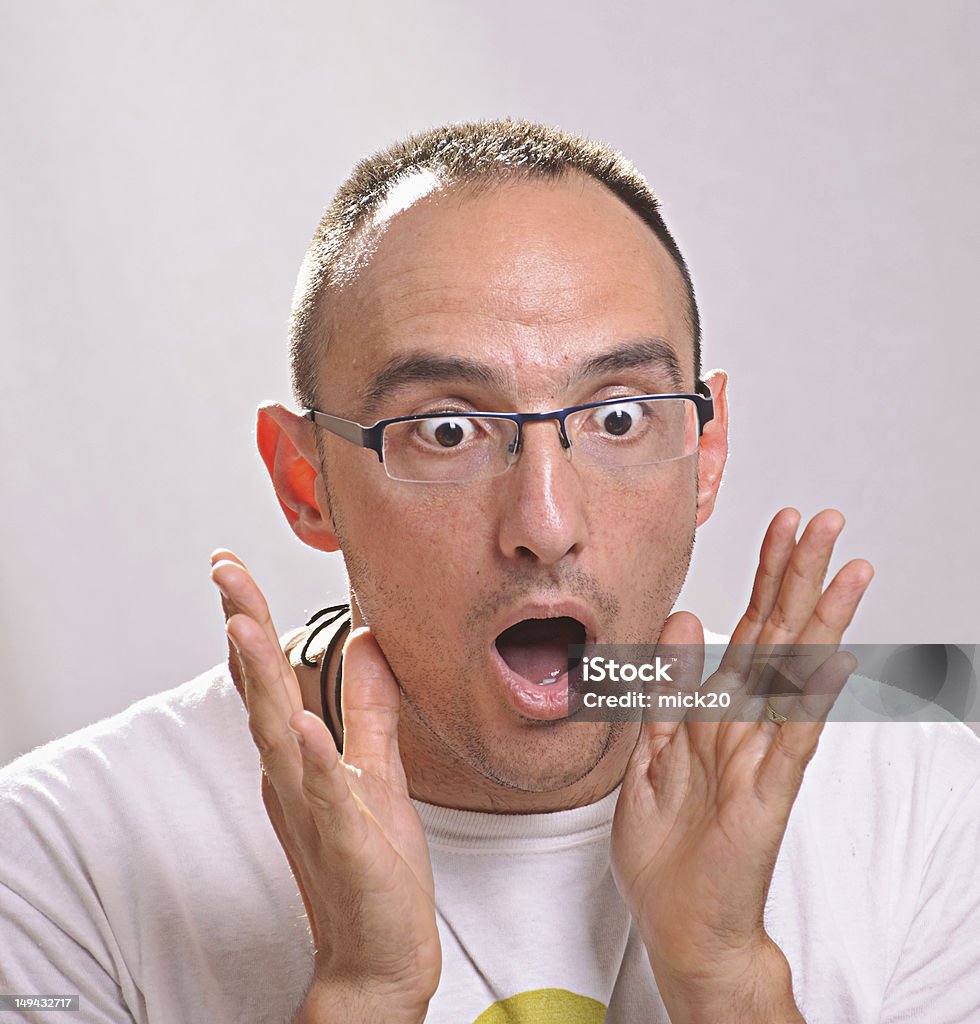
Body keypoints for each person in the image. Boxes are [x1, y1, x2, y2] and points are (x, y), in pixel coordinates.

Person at [1, 120, 977, 1024]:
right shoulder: (61, 852)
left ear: (704, 451)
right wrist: (362, 992)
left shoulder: (918, 785)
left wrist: (726, 978)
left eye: (618, 416)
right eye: (447, 429)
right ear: (306, 482)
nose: (544, 525)